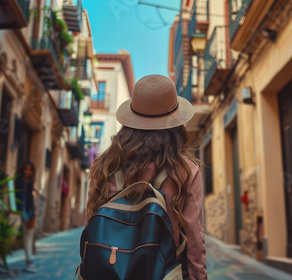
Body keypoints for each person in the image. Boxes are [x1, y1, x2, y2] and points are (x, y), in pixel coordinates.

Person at [86, 75, 207, 279]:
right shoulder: (186, 170)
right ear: (176, 124)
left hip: (111, 271)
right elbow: (194, 241)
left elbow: (91, 226)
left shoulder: (104, 166)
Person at [15, 161, 37, 273]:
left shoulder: (30, 181)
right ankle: (1, 260)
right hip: (21, 212)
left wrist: (32, 211)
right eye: (25, 169)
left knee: (29, 236)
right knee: (16, 236)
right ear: (22, 170)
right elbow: (18, 197)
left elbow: (29, 198)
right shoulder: (18, 180)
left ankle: (29, 260)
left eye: (30, 169)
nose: (28, 171)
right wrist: (21, 212)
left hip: (30, 211)